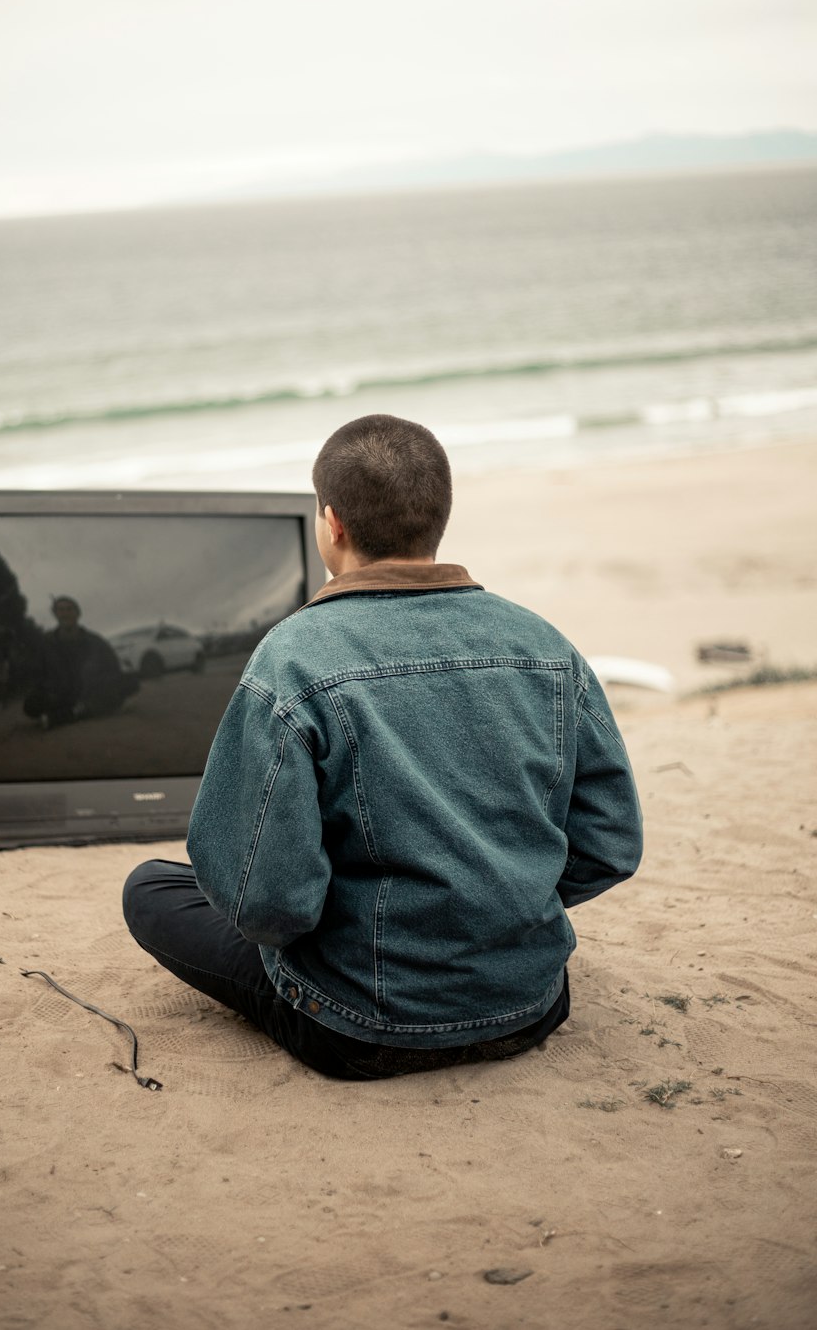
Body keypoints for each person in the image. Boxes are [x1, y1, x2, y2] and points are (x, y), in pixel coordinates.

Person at [123, 415, 642, 1080]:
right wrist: (497, 904)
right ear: (438, 518)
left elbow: (267, 903)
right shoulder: (543, 644)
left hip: (358, 1026)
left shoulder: (293, 658)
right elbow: (609, 844)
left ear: (332, 524)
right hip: (530, 1006)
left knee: (151, 888)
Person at [23, 595, 138, 729]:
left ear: (78, 614)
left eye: (69, 609)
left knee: (130, 683)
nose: (65, 614)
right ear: (55, 614)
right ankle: (81, 710)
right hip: (61, 694)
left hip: (90, 691)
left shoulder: (95, 641)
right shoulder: (46, 642)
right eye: (60, 610)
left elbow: (113, 669)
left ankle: (69, 714)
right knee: (30, 704)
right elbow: (37, 674)